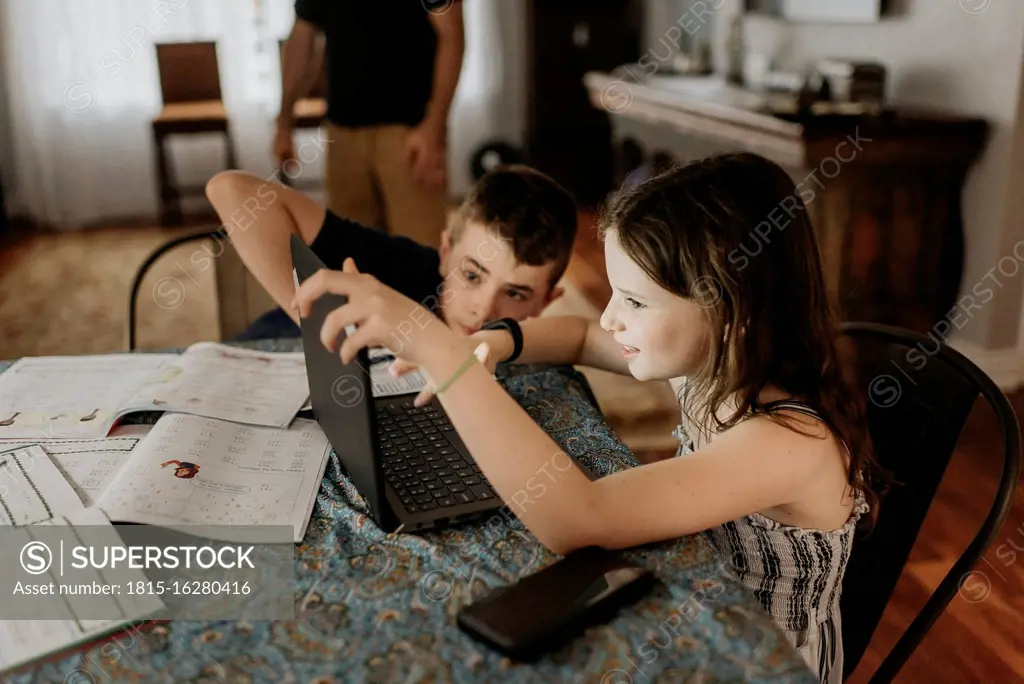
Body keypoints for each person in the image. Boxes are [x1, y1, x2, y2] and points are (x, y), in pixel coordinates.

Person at [290, 153, 887, 684]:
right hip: (693, 595)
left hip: (760, 656)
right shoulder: (709, 360)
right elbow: (577, 336)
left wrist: (445, 354)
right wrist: (499, 342)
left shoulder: (789, 443)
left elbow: (578, 518)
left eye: (633, 301)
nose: (608, 320)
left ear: (728, 309)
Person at [204, 164, 578, 340]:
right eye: (472, 275)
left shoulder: (532, 353)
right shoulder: (396, 265)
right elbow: (230, 189)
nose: (485, 308)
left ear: (548, 301)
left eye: (514, 293)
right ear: (445, 252)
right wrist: (310, 321)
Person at [275, 0, 464, 247]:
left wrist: (433, 128)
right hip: (342, 132)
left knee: (420, 255)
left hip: (408, 133)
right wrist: (283, 124)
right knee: (352, 257)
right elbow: (302, 39)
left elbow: (451, 37)